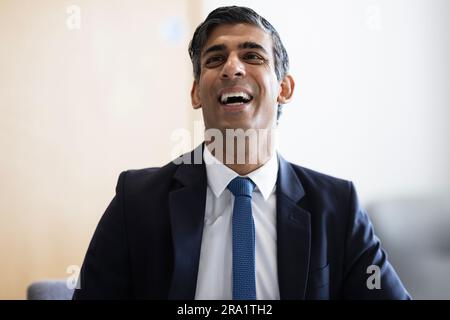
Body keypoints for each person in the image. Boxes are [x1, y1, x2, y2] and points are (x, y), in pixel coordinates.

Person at [73, 6, 410, 300]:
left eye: (252, 56)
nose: (232, 68)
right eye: (215, 59)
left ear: (284, 88)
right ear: (196, 93)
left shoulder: (338, 207)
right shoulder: (137, 201)